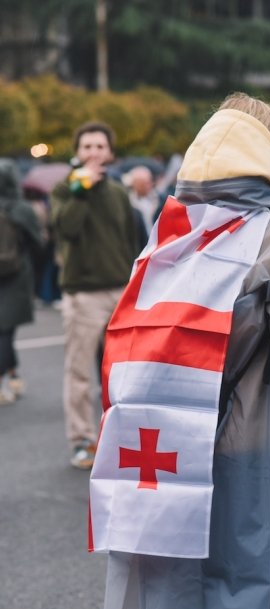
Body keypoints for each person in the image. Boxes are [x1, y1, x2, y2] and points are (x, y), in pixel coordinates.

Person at [94, 94, 270, 609]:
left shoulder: (166, 232)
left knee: (167, 574)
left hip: (155, 435)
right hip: (245, 432)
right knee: (240, 573)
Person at [51, 121, 139, 469]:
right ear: (77, 153)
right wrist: (80, 190)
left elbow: (131, 240)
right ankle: (82, 439)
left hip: (119, 291)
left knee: (122, 371)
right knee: (80, 373)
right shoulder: (65, 189)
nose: (93, 152)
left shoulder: (118, 192)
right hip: (82, 294)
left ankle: (120, 435)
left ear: (110, 153)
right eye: (86, 147)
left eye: (99, 146)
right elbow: (66, 228)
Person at [0, 159, 43, 404]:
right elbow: (38, 244)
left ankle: (14, 374)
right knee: (6, 329)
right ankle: (5, 381)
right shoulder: (20, 208)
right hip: (16, 274)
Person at [124, 165, 160, 234]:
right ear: (135, 184)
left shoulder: (158, 199)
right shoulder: (129, 200)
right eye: (143, 184)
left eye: (148, 182)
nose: (148, 185)